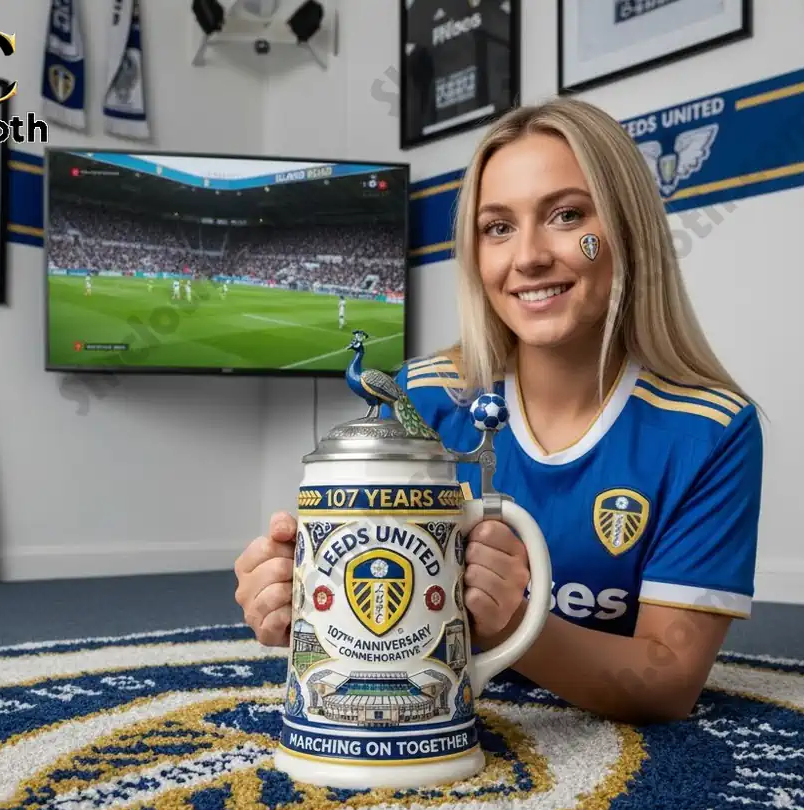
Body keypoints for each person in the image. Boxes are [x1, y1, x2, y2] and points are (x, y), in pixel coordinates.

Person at [233, 97, 764, 726]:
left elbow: (665, 683)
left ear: (625, 230)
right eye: (498, 227)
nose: (528, 256)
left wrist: (518, 622)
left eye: (567, 216)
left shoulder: (711, 430)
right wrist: (295, 595)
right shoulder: (416, 399)